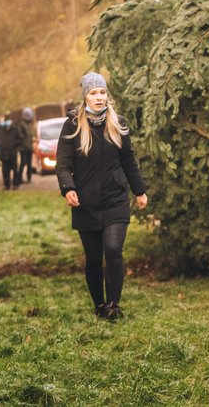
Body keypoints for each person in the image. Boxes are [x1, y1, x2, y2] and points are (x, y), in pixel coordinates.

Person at [56, 72, 147, 321]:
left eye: (102, 92)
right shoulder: (73, 125)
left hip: (115, 199)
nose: (99, 97)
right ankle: (99, 305)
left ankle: (113, 305)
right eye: (94, 93)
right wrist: (68, 188)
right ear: (85, 96)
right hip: (86, 202)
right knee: (94, 258)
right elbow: (63, 164)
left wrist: (140, 191)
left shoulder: (119, 124)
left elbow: (129, 161)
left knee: (114, 249)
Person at [0, 114, 21, 189]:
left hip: (13, 153)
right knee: (5, 171)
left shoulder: (15, 129)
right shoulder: (0, 130)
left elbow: (20, 139)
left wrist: (14, 145)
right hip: (4, 154)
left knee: (15, 169)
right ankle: (7, 185)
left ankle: (16, 184)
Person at [17, 107, 36, 184]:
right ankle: (19, 178)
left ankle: (29, 178)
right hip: (23, 148)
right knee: (23, 163)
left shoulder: (30, 125)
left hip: (29, 148)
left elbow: (31, 135)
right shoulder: (21, 124)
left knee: (29, 163)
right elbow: (20, 136)